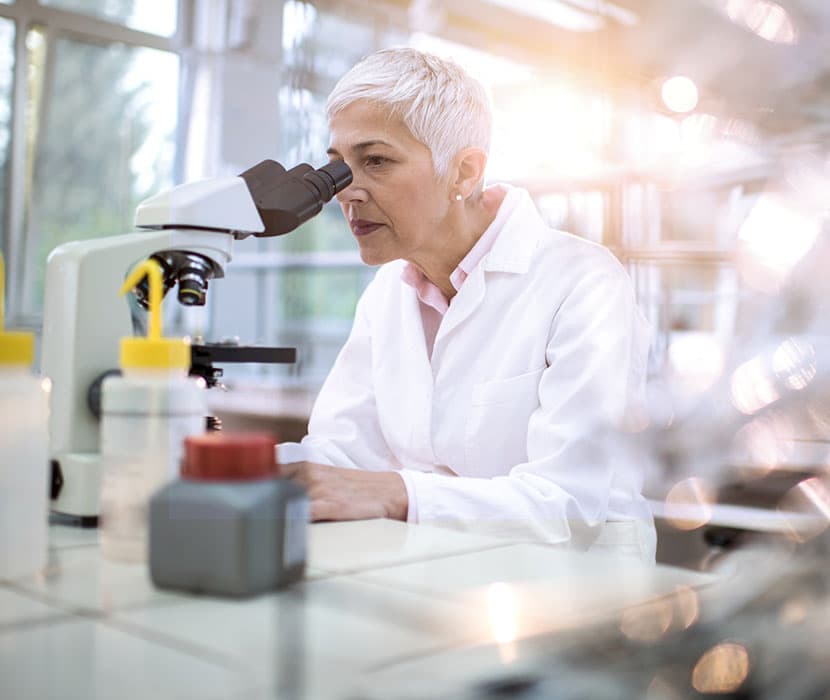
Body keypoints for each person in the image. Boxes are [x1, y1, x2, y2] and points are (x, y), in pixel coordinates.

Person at [279, 47, 655, 561]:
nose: (347, 192)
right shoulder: (390, 291)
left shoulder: (583, 282)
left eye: (376, 161)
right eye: (339, 166)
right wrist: (238, 465)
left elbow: (567, 502)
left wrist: (397, 492)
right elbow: (342, 454)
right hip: (447, 579)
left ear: (463, 172)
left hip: (584, 594)